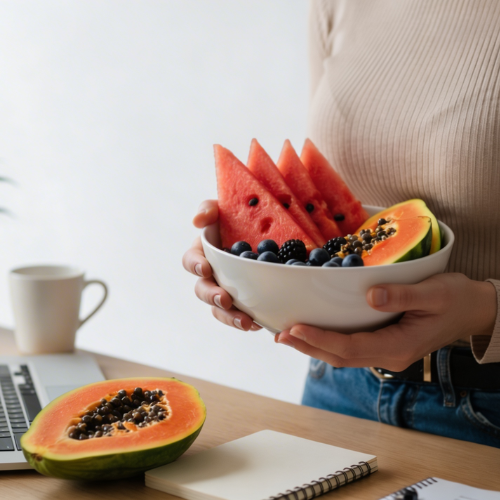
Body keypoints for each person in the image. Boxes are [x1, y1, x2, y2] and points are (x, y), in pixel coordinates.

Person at [182, 0, 500, 448]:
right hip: (336, 388)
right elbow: (326, 212)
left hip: (487, 407)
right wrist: (245, 246)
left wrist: (484, 310)